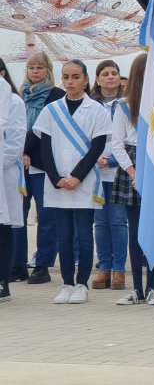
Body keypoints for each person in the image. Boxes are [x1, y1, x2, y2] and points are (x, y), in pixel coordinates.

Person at [34, 60, 111, 305]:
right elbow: (45, 147)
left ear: (86, 80)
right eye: (66, 77)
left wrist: (77, 176)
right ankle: (67, 282)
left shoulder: (97, 110)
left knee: (84, 234)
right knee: (64, 236)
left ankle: (82, 284)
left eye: (76, 77)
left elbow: (97, 146)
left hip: (84, 181)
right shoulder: (51, 110)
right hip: (57, 182)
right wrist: (55, 178)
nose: (70, 82)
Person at [110, 54, 154, 306]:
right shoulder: (123, 106)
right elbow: (117, 144)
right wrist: (133, 173)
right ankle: (137, 288)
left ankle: (153, 287)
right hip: (132, 166)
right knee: (136, 230)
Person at [16, 52, 65, 284]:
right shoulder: (20, 96)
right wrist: (20, 152)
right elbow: (14, 126)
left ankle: (43, 265)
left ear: (48, 70)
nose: (35, 71)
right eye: (31, 67)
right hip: (19, 163)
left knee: (46, 217)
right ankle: (16, 264)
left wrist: (25, 150)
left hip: (43, 163)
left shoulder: (56, 96)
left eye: (39, 67)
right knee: (17, 216)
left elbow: (43, 130)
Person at [89, 60, 128, 292]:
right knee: (100, 223)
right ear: (97, 79)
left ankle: (119, 269)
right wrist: (94, 158)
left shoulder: (127, 104)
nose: (110, 77)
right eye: (105, 74)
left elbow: (130, 138)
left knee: (118, 222)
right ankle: (103, 267)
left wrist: (112, 160)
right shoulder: (90, 104)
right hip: (94, 173)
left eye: (114, 73)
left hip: (119, 171)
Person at [0, 63, 19, 302]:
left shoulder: (13, 99)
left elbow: (14, 141)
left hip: (3, 172)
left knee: (2, 226)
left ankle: (2, 280)